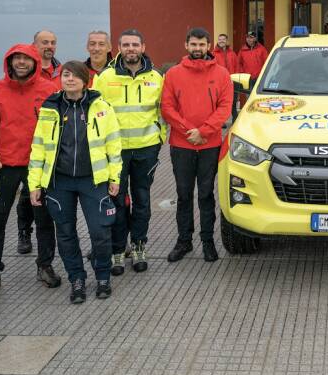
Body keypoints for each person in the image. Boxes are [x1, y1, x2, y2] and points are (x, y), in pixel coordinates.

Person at [29, 61, 123, 303]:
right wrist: (34, 184)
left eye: (75, 75)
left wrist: (115, 177)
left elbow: (113, 144)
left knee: (100, 232)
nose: (69, 79)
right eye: (65, 75)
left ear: (85, 80)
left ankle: (102, 276)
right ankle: (77, 279)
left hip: (93, 181)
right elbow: (39, 148)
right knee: (66, 233)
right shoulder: (50, 108)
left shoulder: (101, 107)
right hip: (59, 182)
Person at [0, 44, 60, 298]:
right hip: (5, 165)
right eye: (17, 58)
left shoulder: (50, 90)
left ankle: (45, 265)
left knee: (44, 219)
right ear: (9, 62)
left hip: (39, 164)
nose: (22, 63)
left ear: (36, 62)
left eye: (27, 58)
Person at [92, 29, 166, 275]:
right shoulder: (105, 77)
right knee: (117, 201)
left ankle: (139, 246)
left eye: (135, 44)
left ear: (143, 47)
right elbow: (94, 112)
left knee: (142, 200)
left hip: (146, 149)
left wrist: (160, 137)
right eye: (126, 45)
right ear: (119, 48)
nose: (131, 48)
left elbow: (164, 109)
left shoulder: (157, 77)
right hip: (116, 152)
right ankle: (117, 250)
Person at [161, 27, 233, 263]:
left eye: (202, 45)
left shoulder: (222, 74)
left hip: (209, 145)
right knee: (183, 195)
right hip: (182, 145)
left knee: (205, 195)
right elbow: (167, 107)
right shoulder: (173, 74)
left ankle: (208, 242)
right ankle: (184, 241)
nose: (198, 49)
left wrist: (203, 132)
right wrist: (188, 131)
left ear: (208, 46)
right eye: (193, 44)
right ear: (186, 45)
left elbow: (224, 108)